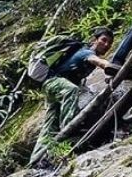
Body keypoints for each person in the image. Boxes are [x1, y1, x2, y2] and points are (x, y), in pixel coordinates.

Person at [27, 27, 117, 167]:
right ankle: (68, 128)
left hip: (53, 87)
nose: (106, 45)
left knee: (50, 124)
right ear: (94, 40)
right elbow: (98, 61)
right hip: (53, 82)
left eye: (109, 44)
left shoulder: (84, 52)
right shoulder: (86, 52)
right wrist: (112, 67)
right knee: (72, 90)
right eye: (104, 40)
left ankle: (34, 161)